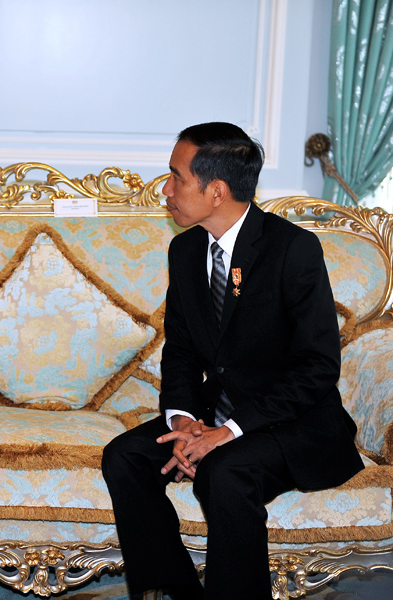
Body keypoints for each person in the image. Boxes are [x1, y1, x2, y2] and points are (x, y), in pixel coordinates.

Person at [101, 122, 363, 600]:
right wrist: (183, 419)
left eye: (177, 177)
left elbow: (318, 366)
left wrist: (229, 432)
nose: (166, 190)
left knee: (224, 471)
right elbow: (180, 350)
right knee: (125, 456)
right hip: (215, 410)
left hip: (292, 421)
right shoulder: (185, 250)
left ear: (216, 191)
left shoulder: (292, 249)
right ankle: (176, 591)